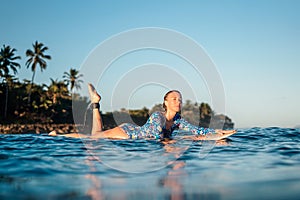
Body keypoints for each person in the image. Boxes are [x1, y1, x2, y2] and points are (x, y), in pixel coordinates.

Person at [49, 83, 236, 139]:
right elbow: (155, 137)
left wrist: (217, 133)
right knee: (93, 137)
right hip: (127, 133)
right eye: (174, 99)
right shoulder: (158, 116)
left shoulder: (178, 120)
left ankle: (96, 103)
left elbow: (197, 130)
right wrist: (173, 145)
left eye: (180, 99)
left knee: (96, 134)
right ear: (166, 102)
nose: (178, 102)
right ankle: (58, 136)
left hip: (134, 132)